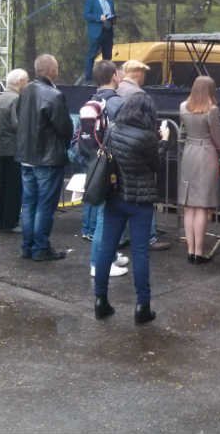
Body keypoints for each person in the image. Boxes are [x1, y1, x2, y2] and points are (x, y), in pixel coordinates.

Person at [93, 93, 170, 322]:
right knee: (140, 253)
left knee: (106, 248)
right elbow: (155, 164)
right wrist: (164, 140)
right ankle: (142, 306)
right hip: (140, 201)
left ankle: (100, 300)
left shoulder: (113, 129)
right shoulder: (147, 137)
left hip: (115, 196)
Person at [16, 54, 73, 261]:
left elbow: (19, 118)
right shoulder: (53, 95)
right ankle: (40, 247)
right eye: (56, 67)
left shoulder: (26, 91)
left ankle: (27, 246)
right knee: (44, 206)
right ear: (51, 70)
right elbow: (65, 127)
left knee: (29, 204)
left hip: (26, 156)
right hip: (47, 159)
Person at [117, 59, 171, 252]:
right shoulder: (138, 94)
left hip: (119, 151)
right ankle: (149, 236)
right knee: (145, 194)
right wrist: (161, 140)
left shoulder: (117, 89)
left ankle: (122, 236)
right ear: (138, 74)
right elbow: (148, 125)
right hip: (139, 153)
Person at [83, 60, 129, 278]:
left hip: (95, 162)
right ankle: (98, 263)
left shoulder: (92, 101)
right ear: (114, 76)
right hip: (112, 165)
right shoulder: (117, 103)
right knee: (106, 215)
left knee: (104, 212)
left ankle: (108, 256)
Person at [179, 75, 220, 264]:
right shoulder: (212, 110)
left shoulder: (183, 107)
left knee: (189, 206)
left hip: (189, 153)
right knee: (202, 206)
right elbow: (219, 141)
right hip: (206, 155)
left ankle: (190, 251)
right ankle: (198, 252)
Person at [0, 68, 28, 233]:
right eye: (26, 81)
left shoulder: (1, 97)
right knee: (14, 187)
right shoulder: (16, 99)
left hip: (3, 146)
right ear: (20, 82)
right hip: (14, 147)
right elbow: (17, 124)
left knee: (2, 184)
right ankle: (10, 221)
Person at [83, 0, 116, 83]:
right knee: (92, 55)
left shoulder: (109, 0)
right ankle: (88, 80)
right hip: (96, 31)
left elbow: (112, 13)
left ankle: (108, 79)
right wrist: (99, 17)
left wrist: (113, 19)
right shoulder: (90, 0)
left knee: (108, 56)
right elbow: (86, 15)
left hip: (108, 30)